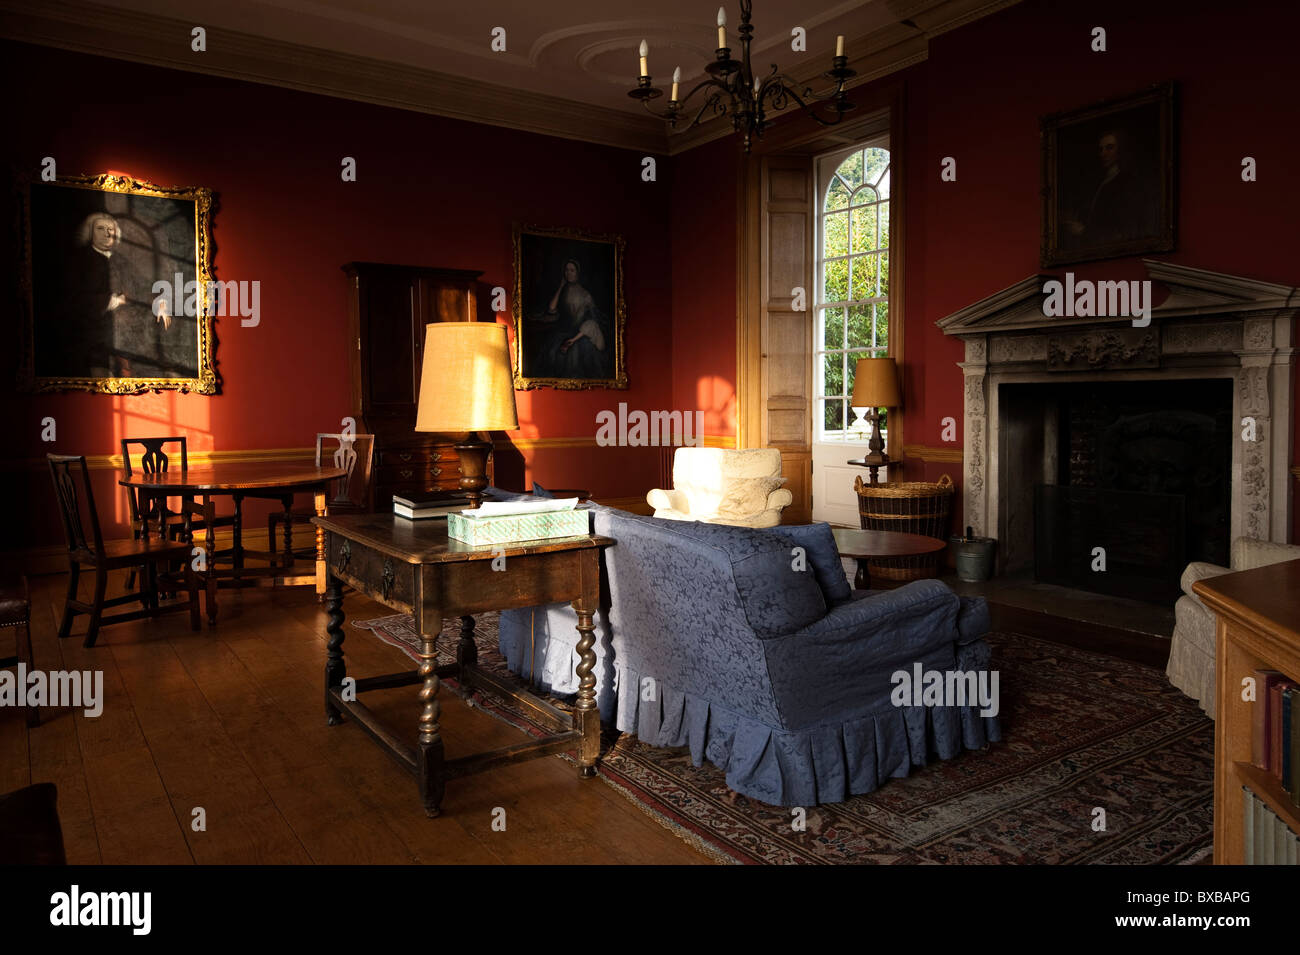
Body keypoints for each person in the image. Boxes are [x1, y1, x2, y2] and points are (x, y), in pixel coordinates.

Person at [62, 212, 172, 377]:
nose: (107, 234)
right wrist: (110, 301)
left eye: (111, 230)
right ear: (90, 232)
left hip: (128, 335)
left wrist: (160, 301)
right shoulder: (79, 261)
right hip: (93, 336)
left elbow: (143, 286)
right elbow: (70, 299)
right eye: (101, 229)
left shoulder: (120, 261)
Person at [1062, 129, 1150, 248]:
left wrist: (1083, 231)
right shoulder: (1101, 181)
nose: (1103, 153)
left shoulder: (1127, 182)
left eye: (1109, 147)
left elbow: (1123, 227)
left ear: (1120, 150)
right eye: (1101, 149)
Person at [532, 258, 611, 379]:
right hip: (562, 332)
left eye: (572, 270)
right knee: (553, 353)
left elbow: (594, 318)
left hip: (577, 332)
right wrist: (561, 286)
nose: (568, 273)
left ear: (578, 273)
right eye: (566, 270)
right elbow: (551, 309)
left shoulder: (586, 295)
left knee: (575, 355)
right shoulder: (563, 290)